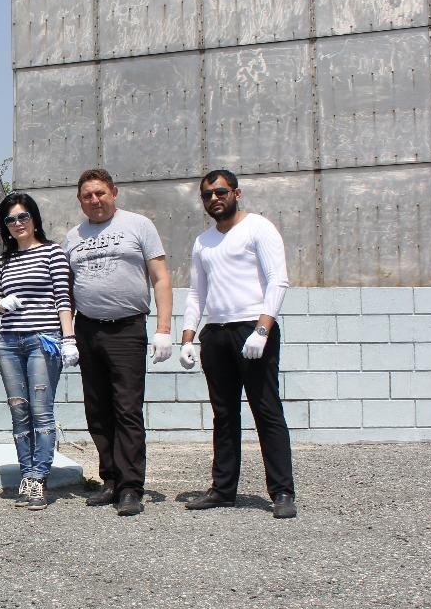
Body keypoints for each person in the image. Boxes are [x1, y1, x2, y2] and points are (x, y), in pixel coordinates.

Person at [180, 169, 297, 519]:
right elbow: (197, 292)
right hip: (216, 333)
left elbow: (278, 280)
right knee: (224, 414)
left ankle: (282, 491)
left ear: (236, 193)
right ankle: (223, 489)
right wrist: (187, 337)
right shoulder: (203, 242)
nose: (214, 199)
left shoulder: (258, 227)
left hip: (252, 328)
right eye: (207, 195)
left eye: (220, 192)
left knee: (266, 409)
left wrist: (262, 329)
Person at [64, 169, 174, 517]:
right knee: (97, 410)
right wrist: (67, 336)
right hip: (88, 329)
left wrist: (164, 328)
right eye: (87, 196)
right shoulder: (73, 237)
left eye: (100, 193)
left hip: (126, 328)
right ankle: (110, 479)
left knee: (127, 409)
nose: (94, 200)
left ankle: (130, 487)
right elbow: (67, 289)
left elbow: (160, 277)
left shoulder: (138, 225)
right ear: (80, 200)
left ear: (114, 192)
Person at [0, 191, 75, 512]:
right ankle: (26, 475)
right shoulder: (4, 260)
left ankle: (39, 477)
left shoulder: (53, 252)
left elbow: (63, 299)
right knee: (19, 412)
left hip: (44, 340)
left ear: (34, 219)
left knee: (41, 410)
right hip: (8, 342)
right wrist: (2, 304)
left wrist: (69, 338)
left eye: (23, 216)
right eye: (10, 219)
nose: (17, 223)